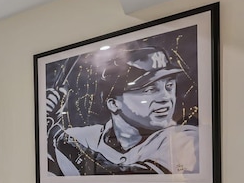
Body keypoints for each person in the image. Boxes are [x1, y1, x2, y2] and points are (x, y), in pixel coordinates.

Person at [46, 46, 199, 176]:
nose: (165, 97)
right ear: (113, 104)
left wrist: (58, 136)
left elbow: (123, 176)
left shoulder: (186, 140)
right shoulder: (84, 137)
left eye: (169, 86)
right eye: (150, 89)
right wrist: (43, 123)